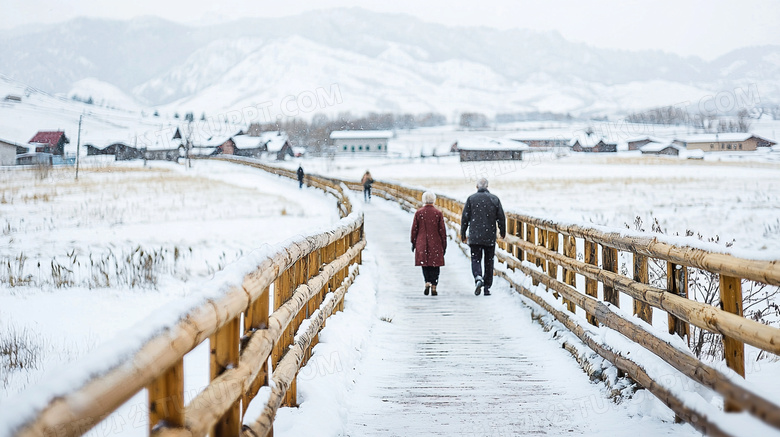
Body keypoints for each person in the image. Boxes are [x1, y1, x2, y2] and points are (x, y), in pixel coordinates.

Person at [460, 177, 506, 296]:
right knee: (489, 261)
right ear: (487, 187)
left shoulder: (471, 199)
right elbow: (501, 217)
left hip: (475, 236)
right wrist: (502, 232)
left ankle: (478, 276)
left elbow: (465, 218)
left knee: (476, 258)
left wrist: (463, 233)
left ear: (477, 187)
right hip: (489, 235)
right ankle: (486, 287)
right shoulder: (494, 199)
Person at [411, 191, 447, 296]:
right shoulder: (438, 213)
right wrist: (444, 245)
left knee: (425, 264)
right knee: (435, 265)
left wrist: (413, 242)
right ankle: (434, 285)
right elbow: (442, 231)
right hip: (436, 242)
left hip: (422, 242)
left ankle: (427, 282)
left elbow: (414, 230)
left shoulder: (419, 213)